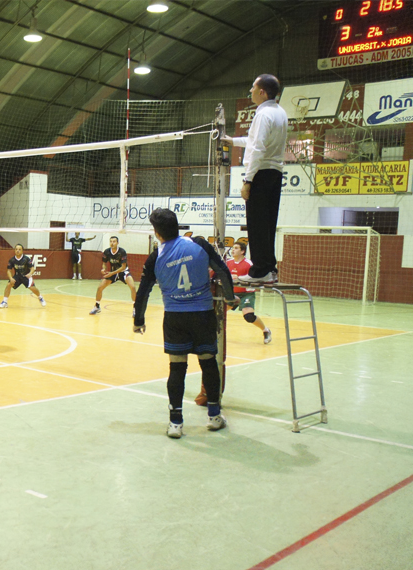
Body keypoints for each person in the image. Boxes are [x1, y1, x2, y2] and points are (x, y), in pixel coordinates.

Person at [132, 208, 236, 439]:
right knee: (208, 364)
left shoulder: (155, 257)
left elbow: (143, 291)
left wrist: (138, 320)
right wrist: (230, 298)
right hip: (202, 315)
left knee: (177, 368)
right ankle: (214, 416)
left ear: (157, 233)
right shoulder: (198, 244)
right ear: (177, 226)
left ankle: (176, 423)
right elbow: (222, 270)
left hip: (175, 318)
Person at [224, 74, 287, 285]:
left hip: (261, 173)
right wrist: (232, 141)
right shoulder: (280, 112)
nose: (250, 91)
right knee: (268, 223)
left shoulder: (263, 115)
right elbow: (254, 141)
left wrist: (247, 180)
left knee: (257, 224)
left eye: (253, 88)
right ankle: (269, 269)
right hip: (275, 173)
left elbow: (258, 149)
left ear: (262, 92)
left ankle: (260, 271)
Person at [194, 242, 272, 406]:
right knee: (218, 314)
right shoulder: (227, 263)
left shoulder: (249, 264)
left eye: (237, 248)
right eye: (233, 248)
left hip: (245, 294)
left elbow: (255, 280)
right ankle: (214, 335)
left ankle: (265, 330)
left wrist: (241, 283)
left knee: (249, 316)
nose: (233, 250)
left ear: (242, 251)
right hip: (230, 294)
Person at [90, 236, 137, 315]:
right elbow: (104, 263)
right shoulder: (107, 252)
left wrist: (112, 273)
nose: (112, 243)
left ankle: (136, 308)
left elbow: (123, 267)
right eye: (111, 241)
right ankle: (97, 306)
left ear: (117, 243)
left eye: (114, 241)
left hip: (123, 272)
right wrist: (103, 269)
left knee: (133, 287)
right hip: (113, 272)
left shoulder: (122, 252)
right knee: (100, 288)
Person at [0, 244, 46, 308]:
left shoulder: (26, 259)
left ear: (22, 251)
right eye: (16, 249)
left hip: (26, 276)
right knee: (8, 284)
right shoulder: (12, 260)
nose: (17, 251)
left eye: (19, 249)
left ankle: (40, 297)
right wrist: (11, 278)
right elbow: (9, 270)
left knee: (32, 288)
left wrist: (30, 274)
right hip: (17, 276)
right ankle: (4, 302)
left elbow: (32, 268)